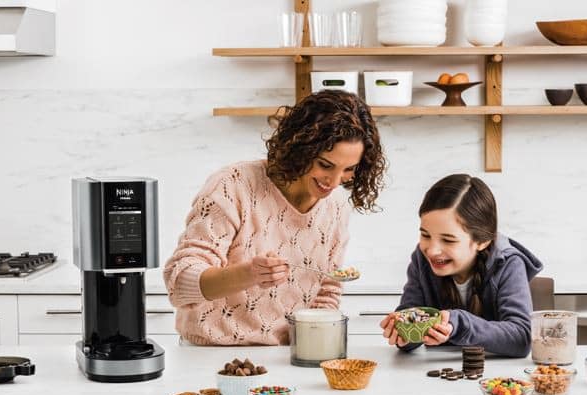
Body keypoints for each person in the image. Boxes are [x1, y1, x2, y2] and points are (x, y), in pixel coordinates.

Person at [164, 90, 387, 345]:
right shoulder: (234, 185)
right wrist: (249, 274)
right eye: (325, 165)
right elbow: (179, 283)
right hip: (211, 354)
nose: (335, 182)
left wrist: (314, 347)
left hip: (285, 356)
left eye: (349, 170)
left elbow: (327, 290)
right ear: (302, 148)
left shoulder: (335, 206)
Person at [379, 174, 542, 357]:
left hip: (495, 378)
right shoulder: (421, 259)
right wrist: (405, 332)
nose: (432, 251)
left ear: (483, 241)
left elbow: (521, 338)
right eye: (426, 235)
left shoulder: (508, 263)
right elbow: (412, 314)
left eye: (448, 240)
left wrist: (459, 324)